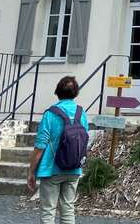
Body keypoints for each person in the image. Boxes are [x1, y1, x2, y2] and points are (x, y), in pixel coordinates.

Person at [27, 76, 89, 224]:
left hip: (52, 169)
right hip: (74, 168)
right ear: (75, 93)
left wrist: (31, 171)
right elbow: (85, 139)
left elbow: (40, 146)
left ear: (57, 92)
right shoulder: (82, 113)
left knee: (48, 210)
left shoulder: (51, 114)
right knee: (68, 209)